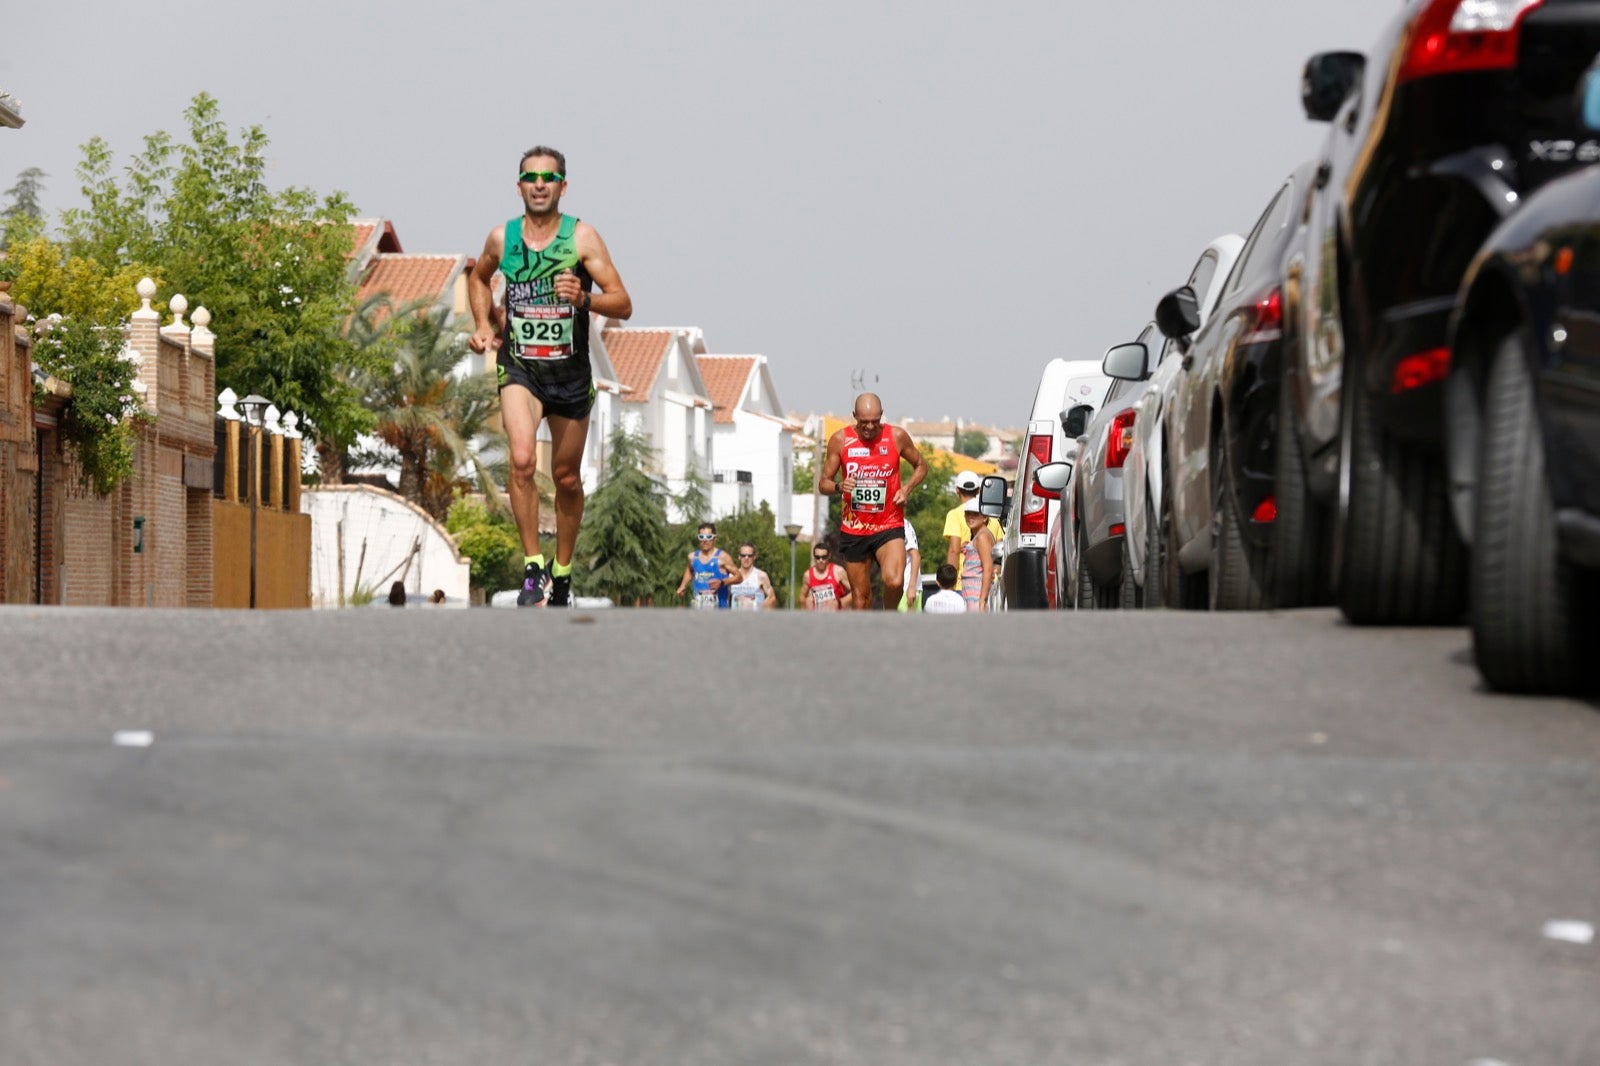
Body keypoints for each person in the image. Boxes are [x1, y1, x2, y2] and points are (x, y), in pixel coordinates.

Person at [467, 145, 632, 608]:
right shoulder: (503, 238)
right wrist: (483, 324)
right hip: (521, 368)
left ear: (562, 185)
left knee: (566, 478)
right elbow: (479, 279)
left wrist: (584, 298)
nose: (539, 184)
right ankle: (533, 567)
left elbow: (623, 302)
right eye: (530, 176)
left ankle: (562, 571)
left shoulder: (582, 239)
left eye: (549, 177)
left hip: (570, 375)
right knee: (521, 460)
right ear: (519, 185)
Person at [818, 392, 929, 610]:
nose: (870, 427)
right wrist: (839, 486)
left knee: (895, 580)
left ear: (882, 415)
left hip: (888, 523)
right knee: (861, 599)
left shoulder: (896, 436)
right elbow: (823, 483)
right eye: (864, 422)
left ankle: (888, 620)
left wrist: (906, 489)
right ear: (854, 417)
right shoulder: (840, 440)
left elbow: (921, 465)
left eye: (875, 422)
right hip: (855, 529)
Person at [944, 469, 1003, 568]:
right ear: (979, 490)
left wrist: (951, 580)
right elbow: (1000, 548)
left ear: (957, 490)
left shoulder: (954, 515)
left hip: (965, 578)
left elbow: (954, 551)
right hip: (991, 578)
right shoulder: (990, 513)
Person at [675, 522, 739, 609]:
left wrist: (722, 583)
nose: (705, 540)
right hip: (697, 608)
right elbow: (690, 570)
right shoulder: (693, 557)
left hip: (719, 610)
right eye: (701, 537)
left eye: (708, 537)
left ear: (715, 538)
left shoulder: (723, 557)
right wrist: (683, 585)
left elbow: (739, 577)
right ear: (698, 538)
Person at [959, 496, 996, 611]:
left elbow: (988, 569)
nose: (970, 518)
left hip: (977, 594)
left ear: (984, 517)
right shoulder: (979, 535)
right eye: (968, 514)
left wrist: (982, 601)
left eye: (974, 514)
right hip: (973, 593)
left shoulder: (982, 537)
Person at [803, 538, 852, 610]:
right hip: (817, 617)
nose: (820, 560)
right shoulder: (807, 575)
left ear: (829, 556)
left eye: (824, 557)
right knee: (808, 601)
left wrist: (840, 603)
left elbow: (855, 592)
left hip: (837, 615)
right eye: (817, 557)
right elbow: (802, 598)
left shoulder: (838, 571)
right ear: (814, 557)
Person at [728, 542, 778, 611]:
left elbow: (772, 598)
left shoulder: (761, 576)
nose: (746, 558)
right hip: (736, 618)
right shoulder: (731, 576)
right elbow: (726, 599)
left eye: (749, 555)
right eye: (743, 555)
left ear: (754, 557)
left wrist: (758, 607)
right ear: (739, 557)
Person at [898, 521, 921, 612]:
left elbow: (915, 555)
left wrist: (912, 587)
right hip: (896, 589)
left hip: (906, 588)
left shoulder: (903, 525)